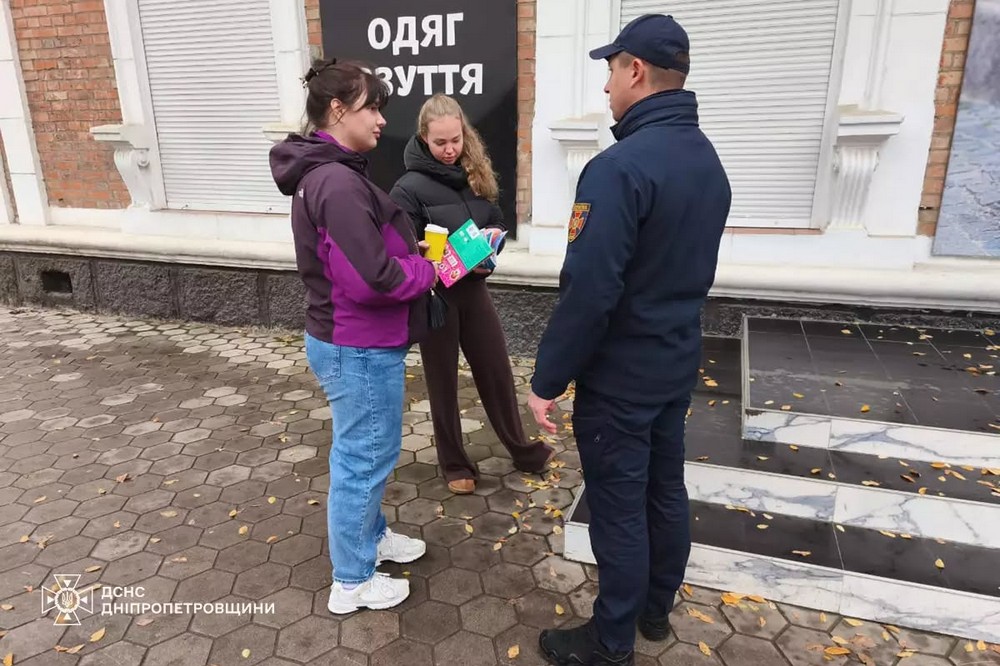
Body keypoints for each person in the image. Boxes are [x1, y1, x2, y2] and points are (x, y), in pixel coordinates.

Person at [527, 14, 732, 665]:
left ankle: (611, 643)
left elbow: (590, 292)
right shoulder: (707, 161)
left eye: (611, 70)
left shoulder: (618, 169)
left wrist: (547, 380)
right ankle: (653, 612)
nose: (608, 86)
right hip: (675, 365)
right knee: (664, 490)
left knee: (620, 508)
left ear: (635, 71)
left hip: (621, 379)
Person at [269, 58, 438, 614]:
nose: (382, 120)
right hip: (358, 344)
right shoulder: (336, 181)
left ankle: (369, 537)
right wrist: (432, 270)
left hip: (354, 340)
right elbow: (372, 279)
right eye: (372, 107)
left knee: (366, 452)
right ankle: (353, 579)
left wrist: (415, 256)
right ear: (337, 110)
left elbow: (362, 257)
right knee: (363, 458)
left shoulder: (332, 171)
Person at [389, 94, 553, 495]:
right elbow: (402, 246)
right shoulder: (407, 188)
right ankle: (454, 463)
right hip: (436, 297)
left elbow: (494, 219)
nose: (450, 150)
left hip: (475, 290)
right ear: (424, 138)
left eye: (456, 140)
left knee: (497, 371)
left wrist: (490, 247)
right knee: (442, 381)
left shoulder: (475, 173)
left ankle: (522, 450)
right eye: (441, 142)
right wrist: (430, 255)